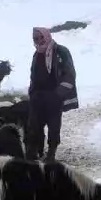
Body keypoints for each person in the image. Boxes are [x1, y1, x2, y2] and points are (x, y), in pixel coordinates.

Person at [25, 27, 78, 161]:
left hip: (54, 96)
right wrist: (32, 92)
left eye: (40, 37)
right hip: (38, 96)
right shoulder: (36, 54)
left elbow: (70, 75)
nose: (38, 41)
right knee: (34, 126)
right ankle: (37, 153)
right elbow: (34, 74)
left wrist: (58, 94)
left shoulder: (61, 51)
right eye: (35, 39)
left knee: (53, 125)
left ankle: (51, 154)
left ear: (47, 36)